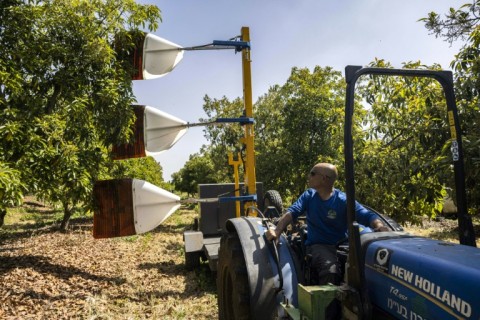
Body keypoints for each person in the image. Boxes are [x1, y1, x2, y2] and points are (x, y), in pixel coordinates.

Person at [266, 162, 388, 287]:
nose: (309, 176)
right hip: (318, 245)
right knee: (331, 270)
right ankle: (327, 306)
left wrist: (379, 226)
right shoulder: (309, 196)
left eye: (312, 174)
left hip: (342, 245)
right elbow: (292, 212)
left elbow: (367, 215)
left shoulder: (342, 200)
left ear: (324, 178)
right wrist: (277, 231)